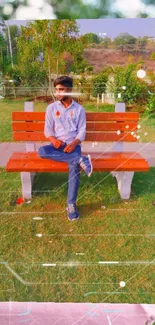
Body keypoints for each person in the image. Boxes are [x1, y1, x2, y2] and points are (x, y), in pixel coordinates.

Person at [38, 75, 93, 221]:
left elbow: (82, 131)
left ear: (70, 90)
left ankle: (71, 204)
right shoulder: (51, 108)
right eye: (56, 90)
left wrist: (74, 144)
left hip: (72, 146)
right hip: (57, 146)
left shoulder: (79, 109)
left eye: (61, 90)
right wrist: (53, 140)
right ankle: (80, 160)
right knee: (42, 151)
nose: (58, 93)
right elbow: (47, 129)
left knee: (73, 168)